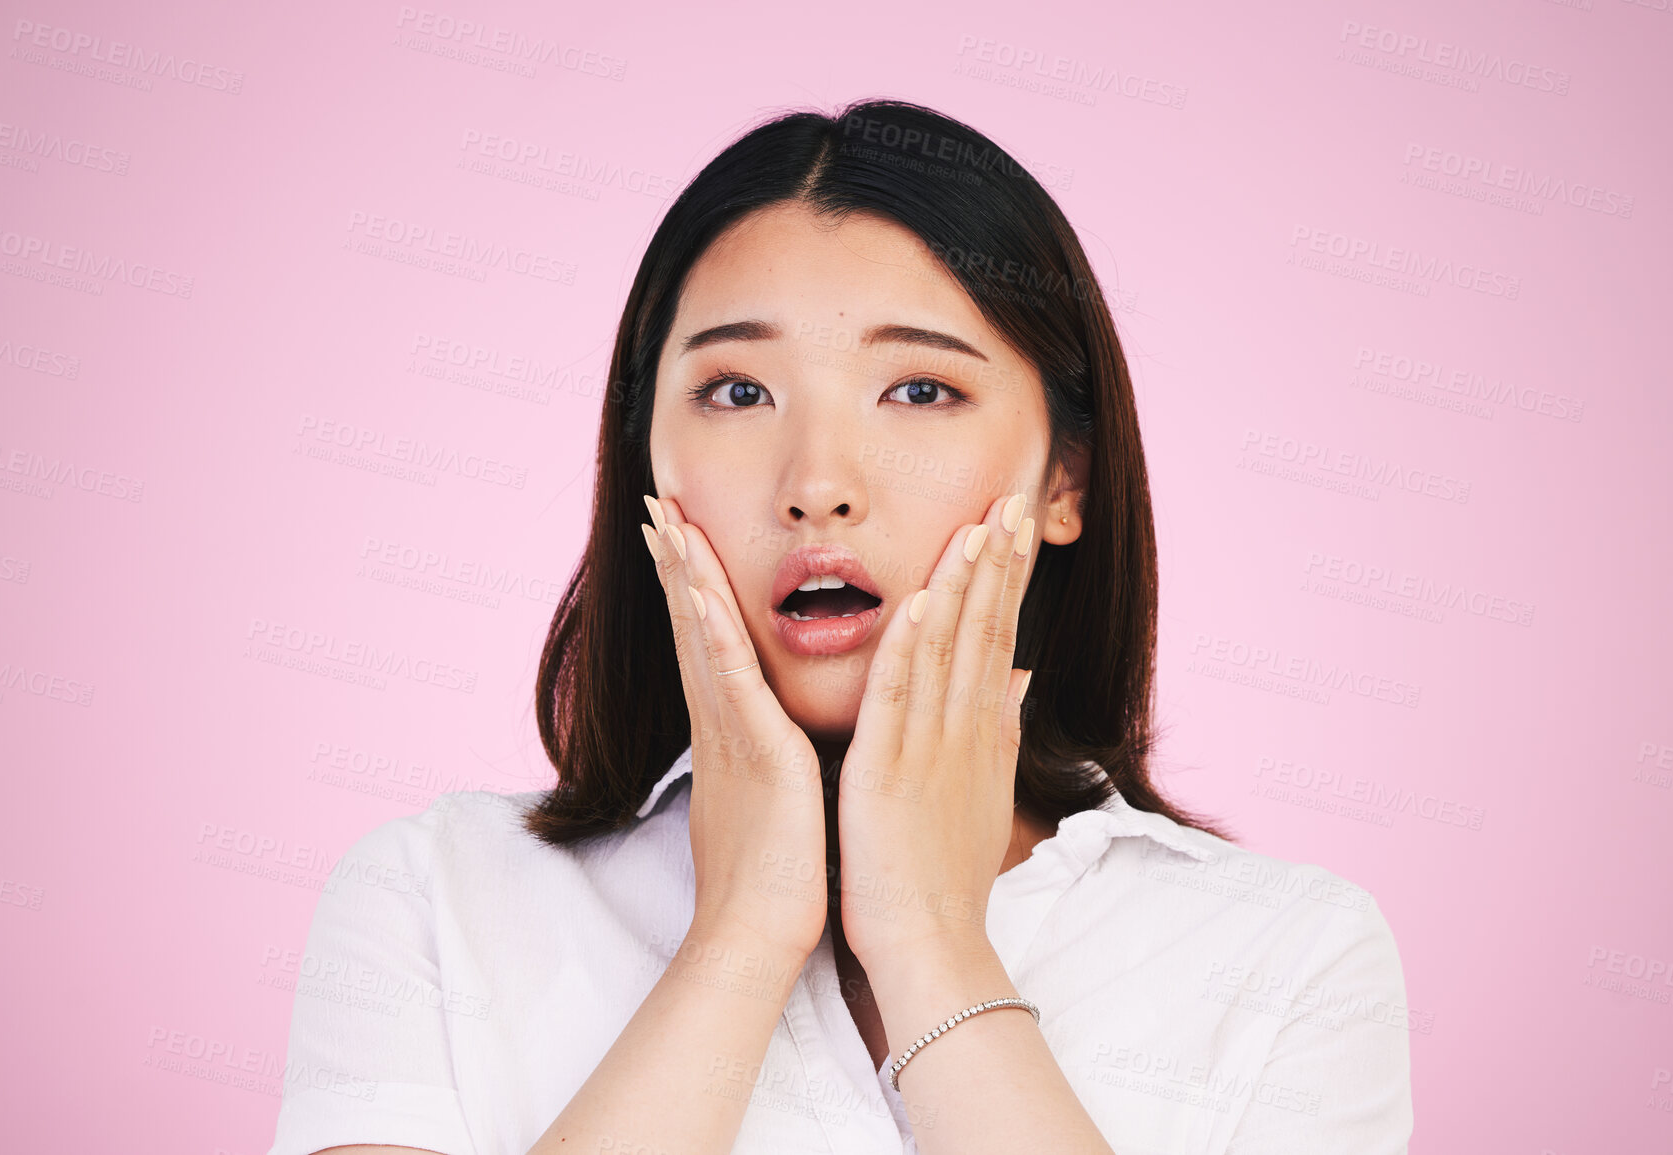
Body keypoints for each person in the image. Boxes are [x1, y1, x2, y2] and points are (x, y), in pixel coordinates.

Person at [266, 98, 1413, 1155]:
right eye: (737, 392)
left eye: (919, 391)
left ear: (1067, 479)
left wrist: (926, 942)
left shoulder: (1293, 958)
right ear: (644, 464)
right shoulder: (436, 896)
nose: (818, 485)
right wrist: (740, 940)